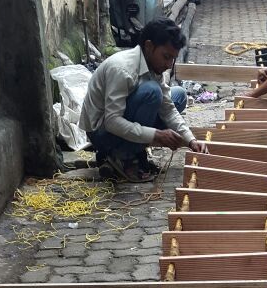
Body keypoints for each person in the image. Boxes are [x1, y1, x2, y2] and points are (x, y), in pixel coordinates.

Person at [80, 19, 205, 181]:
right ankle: (124, 156)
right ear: (148, 46)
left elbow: (168, 108)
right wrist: (156, 135)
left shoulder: (153, 65)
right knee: (153, 93)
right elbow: (112, 121)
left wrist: (191, 140)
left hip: (120, 121)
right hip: (102, 133)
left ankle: (132, 148)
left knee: (178, 95)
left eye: (172, 59)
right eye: (166, 57)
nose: (169, 64)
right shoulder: (122, 69)